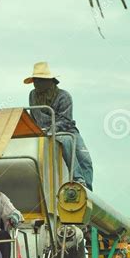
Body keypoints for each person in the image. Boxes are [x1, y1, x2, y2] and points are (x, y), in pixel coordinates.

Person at [24, 62, 93, 190]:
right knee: (65, 141)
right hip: (43, 131)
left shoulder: (64, 96)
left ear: (49, 81)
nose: (36, 83)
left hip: (66, 130)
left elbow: (66, 120)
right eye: (35, 80)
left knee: (85, 158)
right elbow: (33, 115)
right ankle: (78, 179)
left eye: (39, 80)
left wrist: (52, 129)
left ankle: (87, 189)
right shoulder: (32, 95)